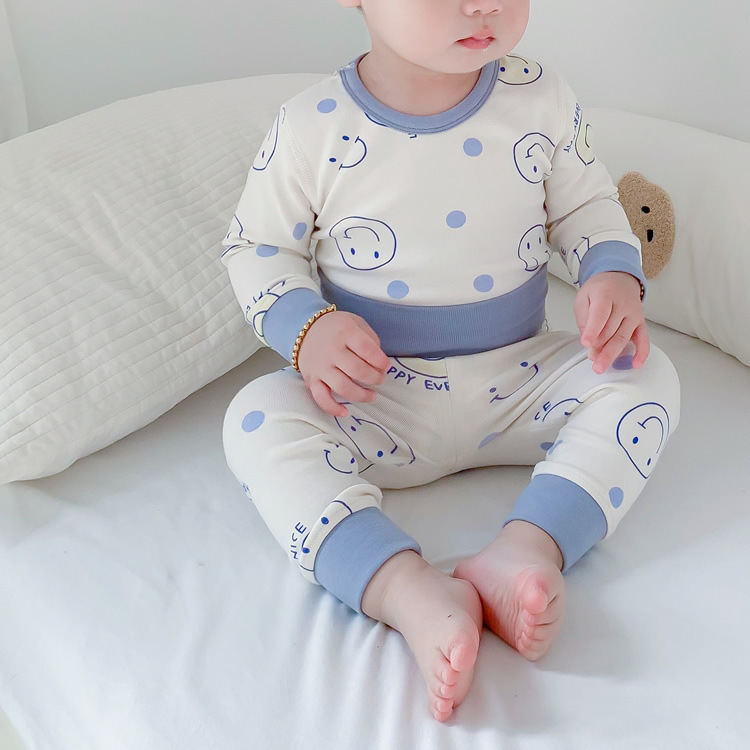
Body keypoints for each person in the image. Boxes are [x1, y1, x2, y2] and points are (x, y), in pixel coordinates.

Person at [220, 0, 680, 723]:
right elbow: (257, 248)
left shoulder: (540, 98)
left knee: (646, 375)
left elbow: (589, 206)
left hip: (520, 382)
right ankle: (405, 588)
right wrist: (308, 329)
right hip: (376, 399)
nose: (483, 5)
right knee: (255, 419)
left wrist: (611, 273)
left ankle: (526, 548)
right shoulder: (313, 126)